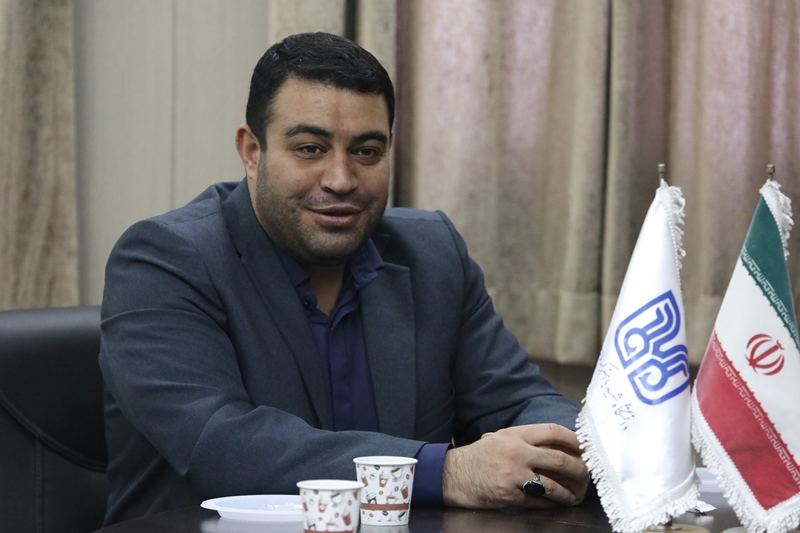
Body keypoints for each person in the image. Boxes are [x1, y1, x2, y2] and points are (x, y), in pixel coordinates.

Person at [98, 31, 589, 526]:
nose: (341, 179)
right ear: (252, 151)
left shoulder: (433, 254)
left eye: (367, 151)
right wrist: (448, 472)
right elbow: (223, 446)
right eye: (310, 149)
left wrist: (576, 451)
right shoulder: (164, 260)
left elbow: (520, 400)